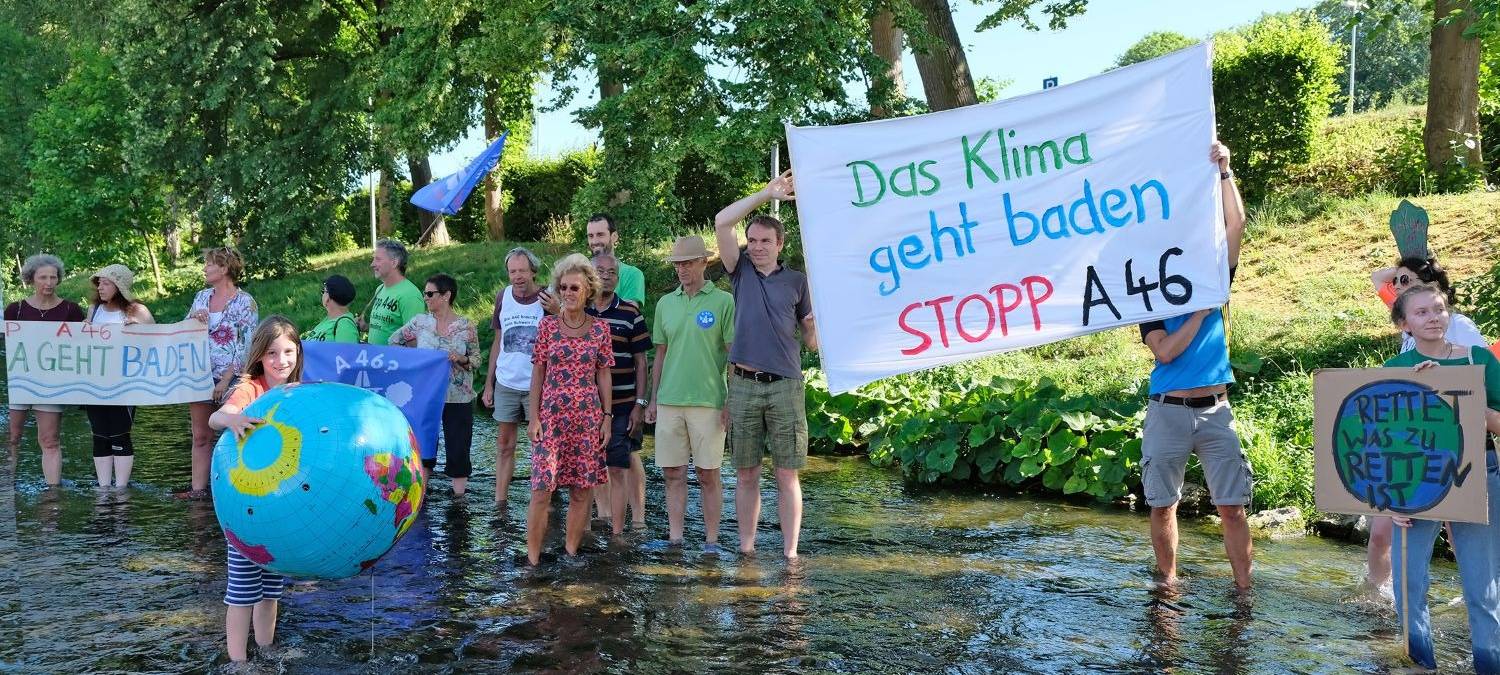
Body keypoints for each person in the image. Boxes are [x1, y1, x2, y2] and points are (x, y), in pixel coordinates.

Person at [1137, 142, 1252, 590]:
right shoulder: (1147, 297)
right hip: (1167, 410)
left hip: (1215, 411)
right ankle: (1168, 584)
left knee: (1233, 506)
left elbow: (1236, 223)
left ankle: (1245, 590)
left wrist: (1224, 172)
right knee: (1163, 504)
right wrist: (1203, 312)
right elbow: (1164, 352)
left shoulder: (1213, 274)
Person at [1385, 284, 1500, 674]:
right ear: (1404, 324)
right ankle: (1422, 665)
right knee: (1409, 585)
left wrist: (1461, 396)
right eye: (1421, 313)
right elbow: (1378, 443)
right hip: (1414, 483)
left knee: (1483, 587)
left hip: (1478, 474)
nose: (1433, 317)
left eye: (1438, 309)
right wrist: (1387, 498)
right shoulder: (1393, 371)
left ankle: (1490, 664)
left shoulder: (1478, 359)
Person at [1365, 254, 1494, 591]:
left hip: (1453, 445)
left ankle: (1474, 595)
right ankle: (1378, 595)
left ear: (1437, 290)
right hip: (1412, 443)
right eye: (1401, 283)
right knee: (1382, 529)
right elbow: (1378, 278)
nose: (1400, 286)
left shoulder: (1458, 326)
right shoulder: (1411, 318)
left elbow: (1476, 377)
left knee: (1458, 529)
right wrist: (1407, 271)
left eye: (1410, 281)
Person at [714, 171, 818, 559]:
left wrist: (819, 324)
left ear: (779, 244)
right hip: (742, 383)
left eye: (764, 241)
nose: (756, 247)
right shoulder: (738, 271)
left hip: (786, 384)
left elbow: (811, 340)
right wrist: (764, 194)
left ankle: (790, 554)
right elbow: (722, 222)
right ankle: (747, 550)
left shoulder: (799, 282)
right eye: (752, 240)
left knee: (787, 474)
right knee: (746, 473)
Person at [209, 315, 303, 663]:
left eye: (288, 352)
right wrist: (233, 417)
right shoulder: (252, 388)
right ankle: (238, 662)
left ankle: (266, 647)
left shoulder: (298, 392)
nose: (282, 361)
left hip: (278, 504)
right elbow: (216, 418)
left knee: (270, 588)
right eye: (273, 353)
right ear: (260, 356)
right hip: (245, 506)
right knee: (243, 590)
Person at [644, 236, 735, 551]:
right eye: (677, 264)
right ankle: (676, 538)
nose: (681, 269)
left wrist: (730, 401)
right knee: (673, 473)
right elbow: (660, 355)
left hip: (709, 402)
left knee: (708, 475)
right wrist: (653, 399)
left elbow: (733, 355)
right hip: (669, 402)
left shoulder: (724, 302)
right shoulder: (666, 303)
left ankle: (711, 542)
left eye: (687, 263)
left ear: (702, 263)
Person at [525, 254, 613, 565]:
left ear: (589, 289)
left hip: (588, 419)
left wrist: (607, 417)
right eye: (563, 288)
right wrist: (533, 416)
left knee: (581, 490)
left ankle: (570, 553)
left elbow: (603, 372)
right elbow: (538, 372)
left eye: (574, 287)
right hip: (551, 419)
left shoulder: (601, 330)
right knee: (541, 491)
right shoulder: (547, 326)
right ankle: (532, 561)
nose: (568, 293)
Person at [391, 273, 480, 495]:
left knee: (458, 445)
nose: (426, 298)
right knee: (424, 442)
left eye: (430, 293)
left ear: (446, 295)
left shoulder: (466, 326)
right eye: (425, 293)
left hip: (458, 395)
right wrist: (416, 361)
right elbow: (394, 341)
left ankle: (459, 499)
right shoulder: (420, 323)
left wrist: (462, 359)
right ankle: (419, 493)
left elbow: (478, 359)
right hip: (426, 395)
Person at [180, 247, 258, 500]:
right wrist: (193, 317)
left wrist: (225, 380)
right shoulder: (201, 297)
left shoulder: (245, 302)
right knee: (200, 435)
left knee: (234, 432)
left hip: (233, 378)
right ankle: (198, 491)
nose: (204, 268)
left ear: (224, 268)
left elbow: (245, 346)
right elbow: (182, 332)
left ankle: (235, 491)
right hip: (199, 375)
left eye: (209, 264)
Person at [586, 252, 651, 535]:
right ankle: (601, 515)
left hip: (624, 405)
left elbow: (641, 362)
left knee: (619, 465)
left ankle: (620, 532)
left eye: (612, 271)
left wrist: (640, 403)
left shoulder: (630, 313)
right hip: (587, 404)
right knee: (591, 463)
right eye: (600, 270)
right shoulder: (579, 311)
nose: (606, 275)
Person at [5, 254, 85, 485]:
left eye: (53, 277)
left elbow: (86, 345)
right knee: (12, 437)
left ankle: (52, 493)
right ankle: (7, 486)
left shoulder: (71, 310)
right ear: (31, 279)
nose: (48, 282)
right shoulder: (15, 310)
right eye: (43, 277)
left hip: (52, 384)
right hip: (19, 381)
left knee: (50, 440)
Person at [482, 247, 546, 510]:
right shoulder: (502, 296)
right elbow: (498, 341)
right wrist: (489, 383)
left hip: (538, 384)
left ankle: (542, 500)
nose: (517, 276)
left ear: (533, 270)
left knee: (540, 447)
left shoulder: (547, 297)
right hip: (506, 382)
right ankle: (500, 500)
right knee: (504, 444)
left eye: (522, 270)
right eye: (512, 271)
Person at [84, 264, 155, 489]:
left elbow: (159, 341)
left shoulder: (137, 311)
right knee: (99, 434)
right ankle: (104, 488)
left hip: (125, 384)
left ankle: (121, 488)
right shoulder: (94, 310)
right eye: (99, 283)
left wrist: (139, 331)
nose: (100, 287)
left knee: (120, 433)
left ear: (119, 286)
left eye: (106, 283)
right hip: (95, 382)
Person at [364, 239, 423, 347]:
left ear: (394, 263)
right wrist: (366, 327)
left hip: (394, 361)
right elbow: (387, 328)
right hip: (375, 359)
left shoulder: (410, 295)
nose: (372, 264)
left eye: (378, 259)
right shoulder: (380, 289)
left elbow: (414, 340)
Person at [585, 213, 646, 305]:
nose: (594, 241)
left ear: (614, 237)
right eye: (590, 236)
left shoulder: (632, 274)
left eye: (600, 235)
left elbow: (629, 313)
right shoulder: (580, 272)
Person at [302, 275, 360, 343]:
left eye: (323, 291)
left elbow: (345, 353)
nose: (322, 294)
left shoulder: (345, 325)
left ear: (328, 298)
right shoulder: (329, 319)